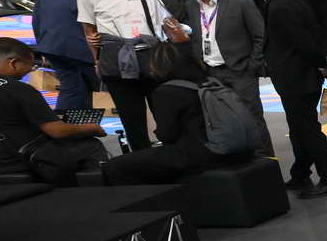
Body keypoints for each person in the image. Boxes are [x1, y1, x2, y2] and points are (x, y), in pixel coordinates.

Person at [239, 0, 327, 197]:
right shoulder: (285, 1)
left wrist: (324, 67)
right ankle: (301, 174)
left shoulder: (280, 6)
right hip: (297, 77)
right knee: (299, 128)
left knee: (307, 130)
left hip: (298, 78)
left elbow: (305, 43)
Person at [0, 37, 108, 182]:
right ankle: (82, 193)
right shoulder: (18, 89)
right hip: (15, 160)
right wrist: (91, 128)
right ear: (14, 63)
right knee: (91, 145)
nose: (27, 72)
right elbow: (58, 131)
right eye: (30, 66)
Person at [77, 0, 188, 150]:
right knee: (132, 119)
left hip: (151, 59)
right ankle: (142, 157)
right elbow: (89, 31)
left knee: (165, 112)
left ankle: (174, 152)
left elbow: (166, 24)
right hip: (116, 61)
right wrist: (97, 61)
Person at [169, 0, 273, 157]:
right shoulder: (191, 6)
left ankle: (266, 161)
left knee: (252, 119)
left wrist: (252, 65)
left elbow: (260, 36)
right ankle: (240, 162)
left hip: (240, 71)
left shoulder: (240, 3)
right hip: (209, 73)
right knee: (222, 121)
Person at [100, 43, 236, 185]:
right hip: (228, 147)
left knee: (114, 167)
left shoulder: (166, 92)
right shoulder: (212, 82)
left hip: (200, 154)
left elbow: (167, 135)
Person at [29, 0, 97, 112]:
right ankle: (72, 120)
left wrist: (42, 45)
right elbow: (91, 24)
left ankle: (71, 120)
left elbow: (36, 22)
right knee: (83, 88)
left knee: (72, 87)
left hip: (50, 48)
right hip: (79, 50)